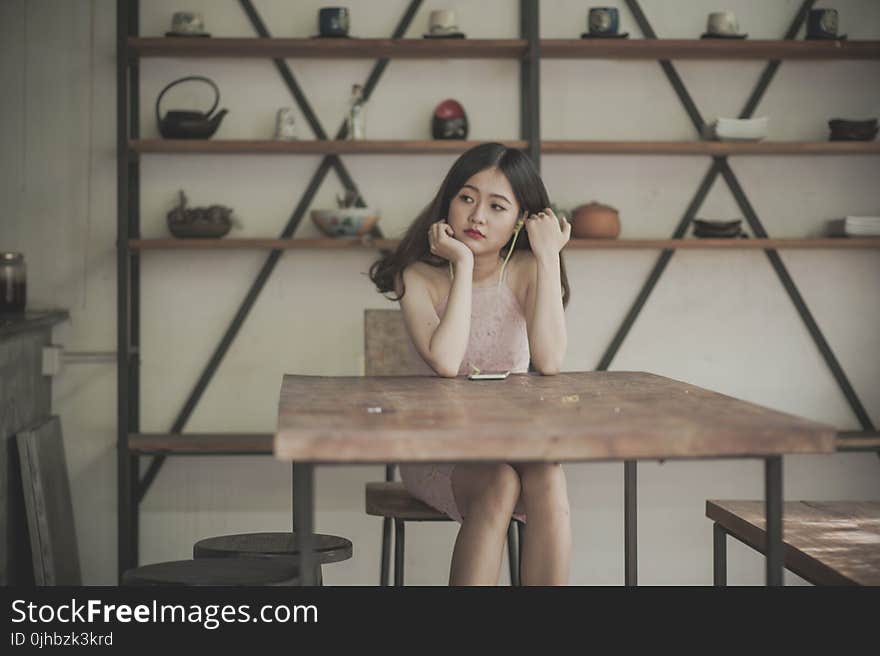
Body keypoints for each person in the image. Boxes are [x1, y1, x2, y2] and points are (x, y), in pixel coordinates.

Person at [368, 142, 572, 586]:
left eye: (497, 206)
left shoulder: (527, 271)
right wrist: (460, 263)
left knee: (548, 473)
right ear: (448, 203)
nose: (477, 216)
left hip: (512, 440)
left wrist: (549, 256)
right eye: (467, 198)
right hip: (437, 448)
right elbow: (446, 361)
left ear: (521, 221)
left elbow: (551, 361)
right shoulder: (417, 275)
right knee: (498, 483)